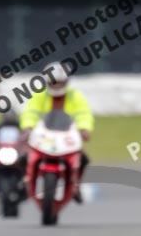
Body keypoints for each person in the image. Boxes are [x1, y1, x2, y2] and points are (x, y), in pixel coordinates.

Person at [19, 62, 94, 202]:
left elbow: (83, 113)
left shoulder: (74, 96)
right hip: (44, 136)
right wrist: (27, 127)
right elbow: (30, 112)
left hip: (66, 137)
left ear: (66, 81)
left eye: (60, 82)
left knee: (83, 158)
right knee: (23, 156)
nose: (57, 85)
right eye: (54, 82)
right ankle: (26, 181)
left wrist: (84, 129)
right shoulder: (39, 96)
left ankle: (75, 184)